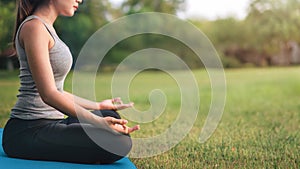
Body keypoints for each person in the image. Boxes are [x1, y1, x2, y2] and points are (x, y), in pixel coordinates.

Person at [2, 0, 140, 164]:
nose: (79, 0)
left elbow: (57, 91)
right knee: (119, 143)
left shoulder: (46, 27)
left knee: (109, 115)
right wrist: (99, 123)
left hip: (52, 120)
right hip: (28, 130)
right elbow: (49, 94)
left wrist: (98, 106)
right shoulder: (34, 28)